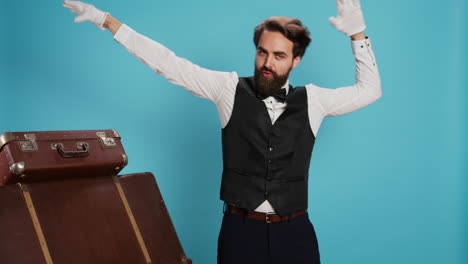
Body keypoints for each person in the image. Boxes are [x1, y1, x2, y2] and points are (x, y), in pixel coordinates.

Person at [63, 1, 381, 263]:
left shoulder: (315, 100)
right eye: (262, 52)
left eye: (279, 55)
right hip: (240, 232)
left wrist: (357, 34)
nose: (267, 62)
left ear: (296, 60)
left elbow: (370, 90)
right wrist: (107, 21)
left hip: (295, 232)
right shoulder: (227, 89)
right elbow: (168, 64)